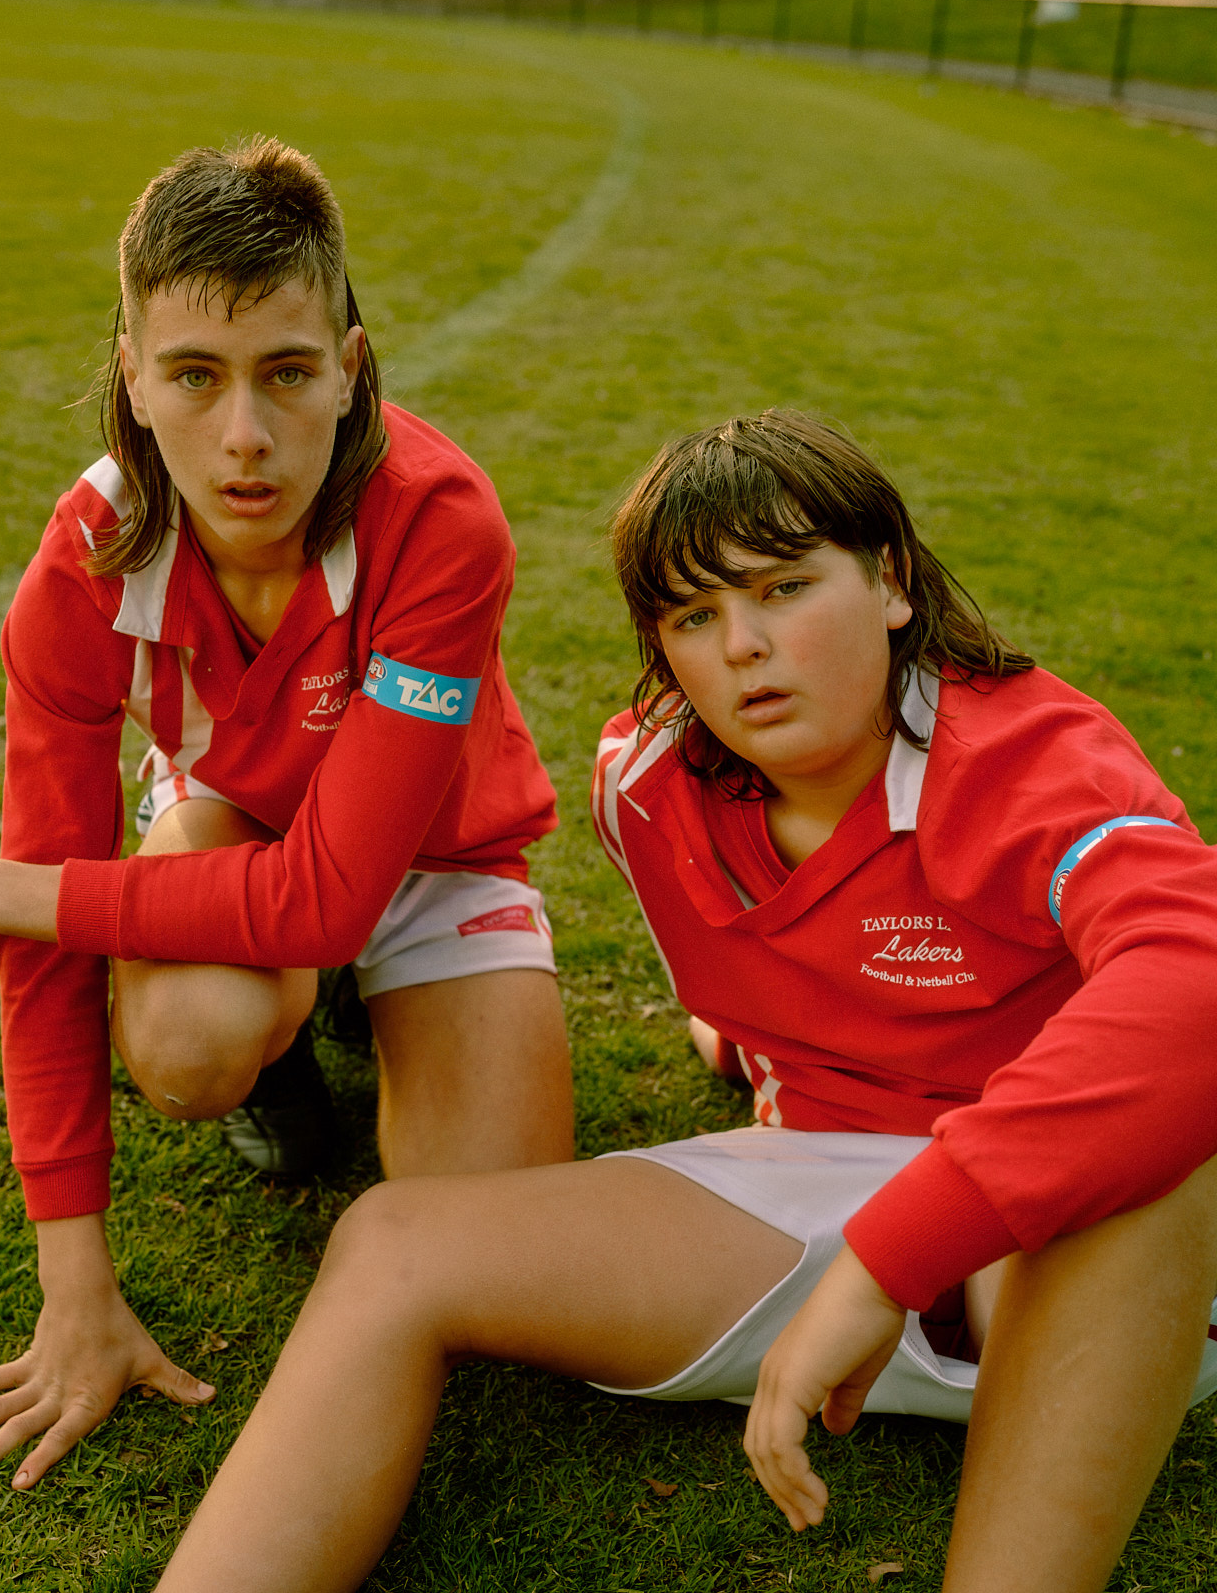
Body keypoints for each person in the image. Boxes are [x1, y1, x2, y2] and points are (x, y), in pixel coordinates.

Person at [132, 411, 1217, 1593]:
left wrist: (891, 1259)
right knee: (395, 1243)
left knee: (1151, 1153)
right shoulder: (645, 786)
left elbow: (1195, 983)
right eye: (694, 616)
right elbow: (800, 984)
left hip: (1063, 1233)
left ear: (892, 582)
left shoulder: (1028, 758)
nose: (745, 646)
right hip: (823, 1177)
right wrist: (750, 1060)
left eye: (785, 589)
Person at [0, 137, 573, 1493]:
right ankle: (284, 1034)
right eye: (194, 375)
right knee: (188, 1047)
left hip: (437, 854)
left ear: (349, 367)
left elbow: (330, 898)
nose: (244, 436)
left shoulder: (441, 521)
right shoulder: (81, 569)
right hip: (239, 821)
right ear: (132, 375)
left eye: (286, 373)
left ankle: (349, 994)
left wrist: (5, 888)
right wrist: (74, 1290)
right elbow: (48, 967)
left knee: (492, 1260)